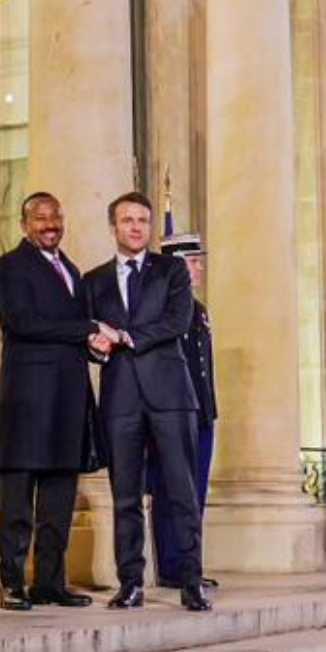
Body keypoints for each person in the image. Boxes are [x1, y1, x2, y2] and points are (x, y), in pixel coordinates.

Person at [83, 192, 210, 612]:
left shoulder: (171, 270)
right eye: (127, 220)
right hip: (120, 397)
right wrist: (97, 344)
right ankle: (131, 583)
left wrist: (125, 336)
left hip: (171, 394)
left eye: (142, 220)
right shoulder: (94, 280)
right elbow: (89, 335)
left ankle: (191, 581)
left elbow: (178, 321)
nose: (136, 227)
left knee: (181, 491)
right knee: (125, 495)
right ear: (113, 227)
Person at [0, 193, 98, 611]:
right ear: (24, 225)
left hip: (68, 397)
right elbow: (22, 321)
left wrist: (96, 344)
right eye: (40, 217)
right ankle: (13, 582)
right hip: (29, 397)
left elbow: (77, 331)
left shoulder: (71, 269)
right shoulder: (10, 266)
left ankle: (50, 582)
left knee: (59, 496)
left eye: (55, 216)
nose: (50, 224)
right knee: (18, 495)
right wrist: (86, 327)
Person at [150, 229, 217, 590]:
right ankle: (172, 566)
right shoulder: (161, 310)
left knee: (196, 492)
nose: (199, 269)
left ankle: (191, 563)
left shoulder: (199, 310)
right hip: (173, 414)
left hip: (201, 412)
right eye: (192, 262)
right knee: (171, 492)